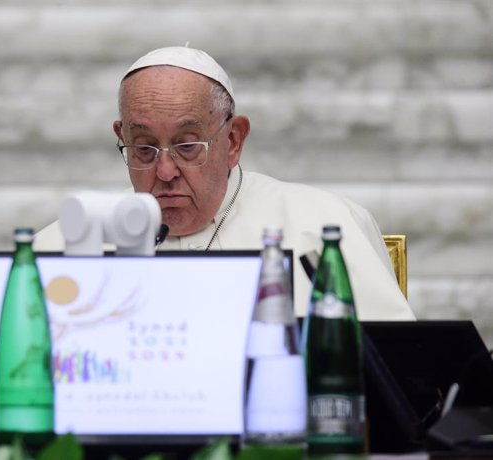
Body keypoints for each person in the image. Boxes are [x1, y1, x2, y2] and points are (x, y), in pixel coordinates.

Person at [34, 46, 415, 321]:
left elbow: (394, 372)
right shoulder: (65, 243)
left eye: (187, 146)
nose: (165, 171)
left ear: (233, 141)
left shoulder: (323, 225)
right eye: (144, 148)